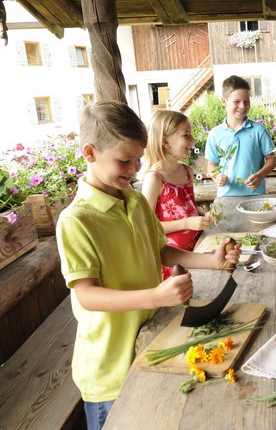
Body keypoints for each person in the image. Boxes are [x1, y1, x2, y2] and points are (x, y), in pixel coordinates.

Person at [56, 101, 241, 430]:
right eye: (124, 161)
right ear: (89, 153)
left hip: (150, 342)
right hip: (109, 368)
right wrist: (156, 296)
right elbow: (87, 295)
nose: (133, 168)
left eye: (138, 159)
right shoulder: (76, 220)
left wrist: (211, 262)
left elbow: (161, 251)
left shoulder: (135, 200)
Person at [140, 110, 210, 280]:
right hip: (173, 262)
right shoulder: (154, 178)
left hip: (199, 247)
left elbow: (188, 208)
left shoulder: (187, 171)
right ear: (165, 141)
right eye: (186, 135)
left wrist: (203, 215)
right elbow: (148, 227)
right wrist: (187, 223)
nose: (192, 140)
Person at [205, 76, 276, 197]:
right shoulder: (215, 134)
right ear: (224, 101)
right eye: (236, 102)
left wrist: (259, 175)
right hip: (225, 196)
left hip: (255, 195)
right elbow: (211, 164)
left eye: (246, 101)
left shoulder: (259, 130)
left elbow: (272, 159)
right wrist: (216, 176)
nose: (243, 106)